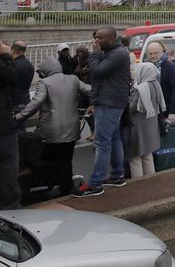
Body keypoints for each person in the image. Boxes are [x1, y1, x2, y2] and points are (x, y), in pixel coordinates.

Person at [14, 57, 90, 195]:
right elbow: (91, 90)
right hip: (72, 128)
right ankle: (65, 186)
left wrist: (18, 117)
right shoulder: (72, 79)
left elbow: (35, 103)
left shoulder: (44, 82)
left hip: (52, 130)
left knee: (49, 158)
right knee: (66, 159)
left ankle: (62, 186)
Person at [76, 26, 131, 197]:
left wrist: (93, 53)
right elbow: (100, 80)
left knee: (102, 143)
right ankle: (117, 176)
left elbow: (97, 72)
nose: (96, 41)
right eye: (96, 38)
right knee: (114, 139)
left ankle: (95, 184)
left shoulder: (118, 54)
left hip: (110, 103)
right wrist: (94, 102)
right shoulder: (111, 52)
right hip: (107, 101)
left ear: (111, 38)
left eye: (100, 38)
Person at [125, 61, 165, 177]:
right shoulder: (156, 84)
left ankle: (138, 184)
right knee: (148, 155)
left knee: (135, 158)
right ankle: (150, 181)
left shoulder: (140, 88)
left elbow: (131, 107)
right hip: (151, 125)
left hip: (138, 126)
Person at [0, 41, 19, 208]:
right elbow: (9, 76)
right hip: (4, 128)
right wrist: (6, 55)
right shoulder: (5, 63)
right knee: (7, 170)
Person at [145, 41, 175, 129]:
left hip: (166, 109)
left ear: (162, 52)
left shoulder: (170, 66)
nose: (153, 56)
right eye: (150, 53)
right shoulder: (146, 66)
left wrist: (173, 111)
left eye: (156, 53)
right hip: (151, 108)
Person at [9, 41, 32, 112]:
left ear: (13, 50)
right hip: (25, 100)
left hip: (14, 102)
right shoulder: (29, 65)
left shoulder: (12, 66)